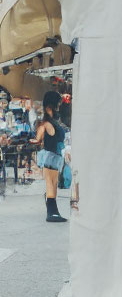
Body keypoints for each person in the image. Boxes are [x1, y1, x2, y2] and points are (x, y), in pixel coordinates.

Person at [29, 91, 67, 222]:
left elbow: (38, 139)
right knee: (51, 184)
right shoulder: (46, 123)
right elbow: (38, 138)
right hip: (50, 156)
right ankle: (52, 213)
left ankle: (53, 211)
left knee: (54, 184)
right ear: (50, 106)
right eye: (57, 104)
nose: (58, 107)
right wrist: (34, 141)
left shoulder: (53, 122)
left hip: (55, 156)